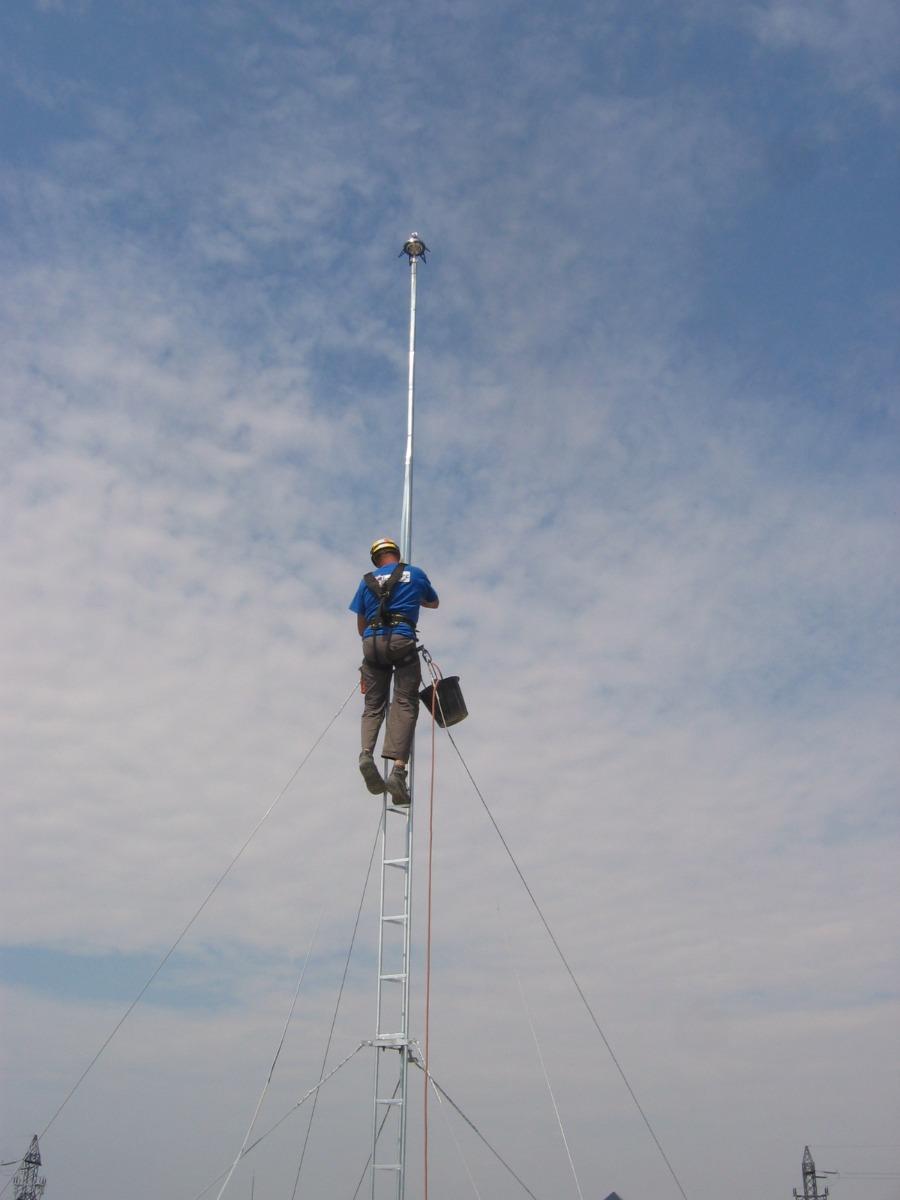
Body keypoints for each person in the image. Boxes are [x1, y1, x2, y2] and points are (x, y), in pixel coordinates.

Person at [349, 537, 439, 805]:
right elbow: (433, 603)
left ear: (375, 561)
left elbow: (360, 624)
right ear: (397, 555)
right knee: (404, 701)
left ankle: (366, 753)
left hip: (371, 644)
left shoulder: (366, 580)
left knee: (373, 705)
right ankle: (398, 771)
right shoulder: (416, 573)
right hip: (401, 640)